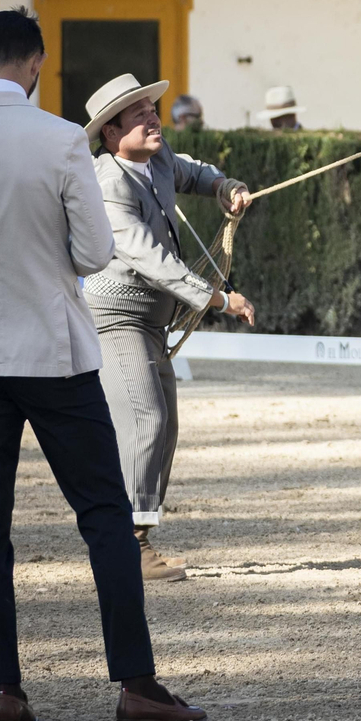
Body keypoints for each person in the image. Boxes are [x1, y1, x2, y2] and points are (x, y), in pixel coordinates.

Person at [0, 8, 206, 721]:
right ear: (37, 64)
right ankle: (135, 681)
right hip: (55, 353)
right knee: (103, 515)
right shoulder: (61, 140)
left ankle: (3, 689)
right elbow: (96, 253)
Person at [83, 74, 256, 581]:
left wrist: (225, 186)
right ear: (111, 134)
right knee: (145, 422)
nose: (152, 118)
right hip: (115, 320)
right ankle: (128, 549)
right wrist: (221, 299)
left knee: (165, 428)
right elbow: (151, 259)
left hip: (151, 323)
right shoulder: (106, 185)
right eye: (137, 115)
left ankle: (135, 540)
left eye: (150, 108)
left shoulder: (158, 159)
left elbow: (194, 172)